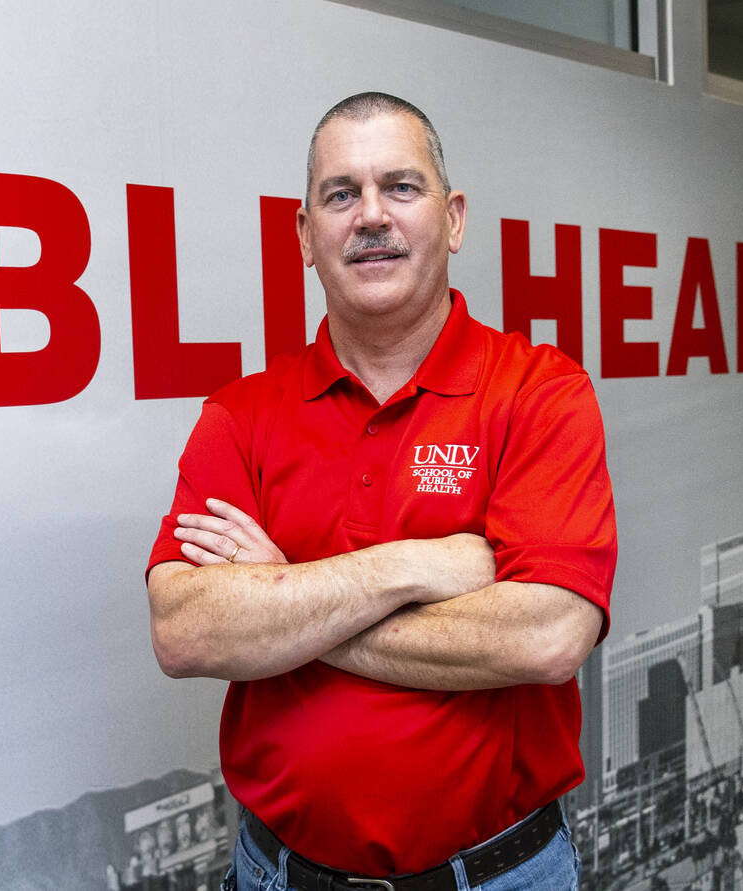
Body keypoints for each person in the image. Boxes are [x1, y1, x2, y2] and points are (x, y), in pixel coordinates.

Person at [146, 92, 616, 891]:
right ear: (304, 235)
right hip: (279, 875)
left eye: (401, 186)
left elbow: (547, 635)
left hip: (499, 877)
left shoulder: (541, 393)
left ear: (454, 218)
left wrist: (288, 600)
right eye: (340, 194)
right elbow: (185, 629)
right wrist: (413, 567)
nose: (370, 215)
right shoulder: (241, 415)